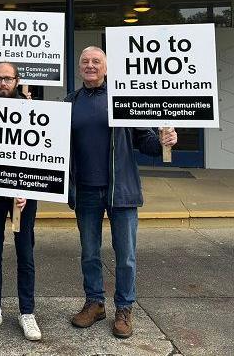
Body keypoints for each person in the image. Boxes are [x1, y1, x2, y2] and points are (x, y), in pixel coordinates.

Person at [67, 46, 177, 339]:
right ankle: (94, 303)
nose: (90, 65)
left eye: (96, 61)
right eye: (85, 61)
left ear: (105, 67)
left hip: (122, 191)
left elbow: (148, 143)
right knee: (89, 253)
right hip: (86, 192)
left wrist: (165, 140)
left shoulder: (125, 99)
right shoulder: (70, 102)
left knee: (125, 255)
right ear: (80, 68)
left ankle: (124, 308)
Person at [0, 62, 41, 341]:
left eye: (8, 78)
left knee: (25, 252)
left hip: (24, 195)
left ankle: (27, 312)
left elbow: (40, 149)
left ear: (17, 80)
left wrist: (25, 185)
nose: (3, 83)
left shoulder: (32, 108)